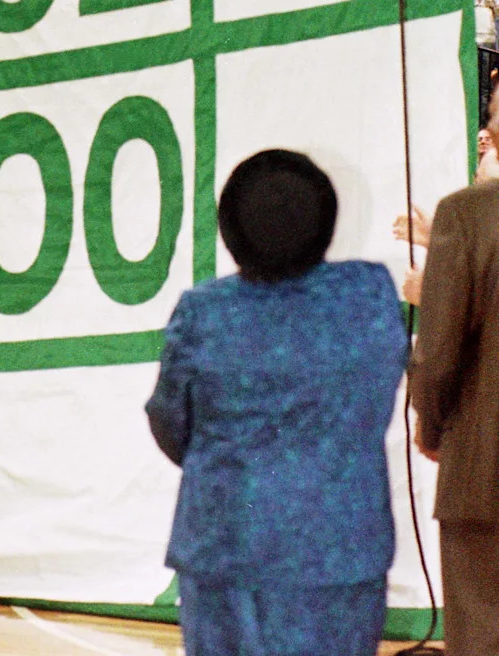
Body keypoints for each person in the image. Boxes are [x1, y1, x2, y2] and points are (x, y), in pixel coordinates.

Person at [144, 150, 407, 655]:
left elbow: (171, 421)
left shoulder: (205, 312)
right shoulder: (367, 295)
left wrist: (226, 463)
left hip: (227, 541)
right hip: (340, 544)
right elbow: (383, 388)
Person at [409, 181, 499, 653]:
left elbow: (437, 353)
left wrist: (430, 425)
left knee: (483, 631)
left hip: (484, 463)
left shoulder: (467, 212)